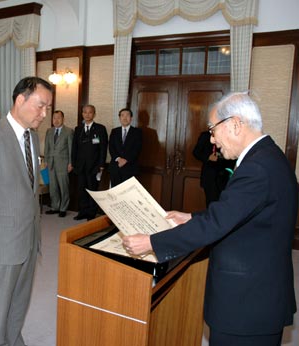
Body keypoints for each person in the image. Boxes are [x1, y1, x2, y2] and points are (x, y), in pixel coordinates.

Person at [123, 92, 297, 346]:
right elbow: (236, 213)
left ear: (235, 124)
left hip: (247, 303)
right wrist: (191, 216)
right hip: (260, 293)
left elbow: (216, 225)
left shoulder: (257, 168)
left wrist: (151, 242)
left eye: (213, 130)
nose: (212, 140)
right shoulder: (269, 156)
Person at [0, 76, 53, 346]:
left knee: (18, 301)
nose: (44, 113)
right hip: (0, 242)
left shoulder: (32, 137)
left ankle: (13, 341)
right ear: (20, 100)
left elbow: (28, 187)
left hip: (27, 238)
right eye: (40, 106)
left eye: (48, 107)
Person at [71, 104, 108, 220]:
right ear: (82, 114)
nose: (87, 114)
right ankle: (82, 212)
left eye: (90, 112)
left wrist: (101, 164)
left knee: (92, 190)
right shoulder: (78, 129)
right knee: (81, 190)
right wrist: (73, 163)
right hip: (80, 166)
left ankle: (91, 213)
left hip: (94, 166)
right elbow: (74, 148)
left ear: (94, 114)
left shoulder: (100, 128)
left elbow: (103, 148)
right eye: (85, 112)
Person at [193, 130, 235, 207]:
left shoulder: (230, 136)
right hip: (210, 177)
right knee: (211, 204)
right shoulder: (205, 136)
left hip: (225, 177)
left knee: (225, 204)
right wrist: (208, 157)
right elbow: (196, 152)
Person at [44, 110, 74, 217]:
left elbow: (71, 149)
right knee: (53, 187)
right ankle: (55, 207)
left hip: (63, 163)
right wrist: (46, 160)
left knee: (63, 186)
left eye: (58, 118)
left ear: (63, 119)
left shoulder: (69, 131)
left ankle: (63, 208)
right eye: (54, 118)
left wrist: (71, 163)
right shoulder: (49, 131)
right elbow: (47, 147)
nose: (56, 120)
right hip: (51, 163)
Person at [108, 108, 142, 187]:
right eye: (122, 115)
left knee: (128, 194)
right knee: (115, 192)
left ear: (131, 118)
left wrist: (126, 160)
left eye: (127, 115)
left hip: (130, 168)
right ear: (119, 118)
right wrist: (118, 159)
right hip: (116, 167)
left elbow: (137, 149)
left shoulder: (137, 132)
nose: (125, 118)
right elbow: (111, 147)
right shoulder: (114, 131)